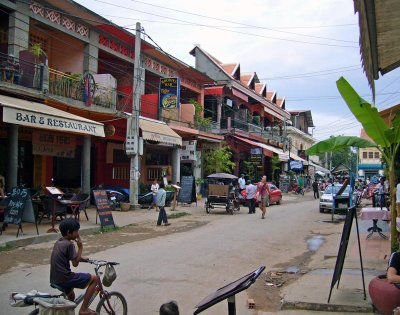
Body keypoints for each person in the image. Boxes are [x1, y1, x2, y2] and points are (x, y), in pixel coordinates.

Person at [50, 218, 97, 315]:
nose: (78, 233)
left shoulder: (59, 242)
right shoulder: (69, 244)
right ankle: (84, 309)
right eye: (76, 231)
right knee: (95, 279)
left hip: (54, 278)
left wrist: (81, 258)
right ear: (69, 232)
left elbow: (71, 257)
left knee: (71, 296)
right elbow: (75, 264)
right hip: (65, 278)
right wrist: (80, 247)